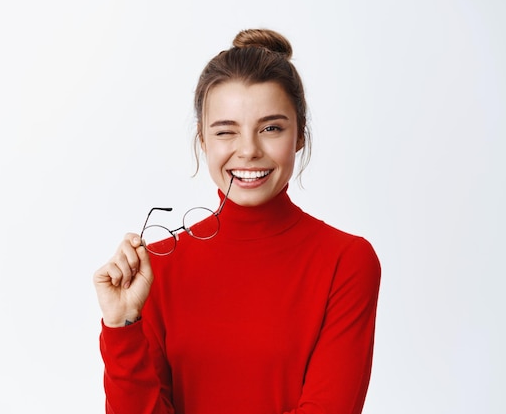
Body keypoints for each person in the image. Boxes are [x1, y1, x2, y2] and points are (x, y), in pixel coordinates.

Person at [93, 28, 381, 414]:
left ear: (299, 134)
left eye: (271, 128)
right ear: (203, 140)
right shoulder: (154, 268)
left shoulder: (346, 262)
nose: (248, 150)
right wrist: (122, 324)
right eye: (226, 131)